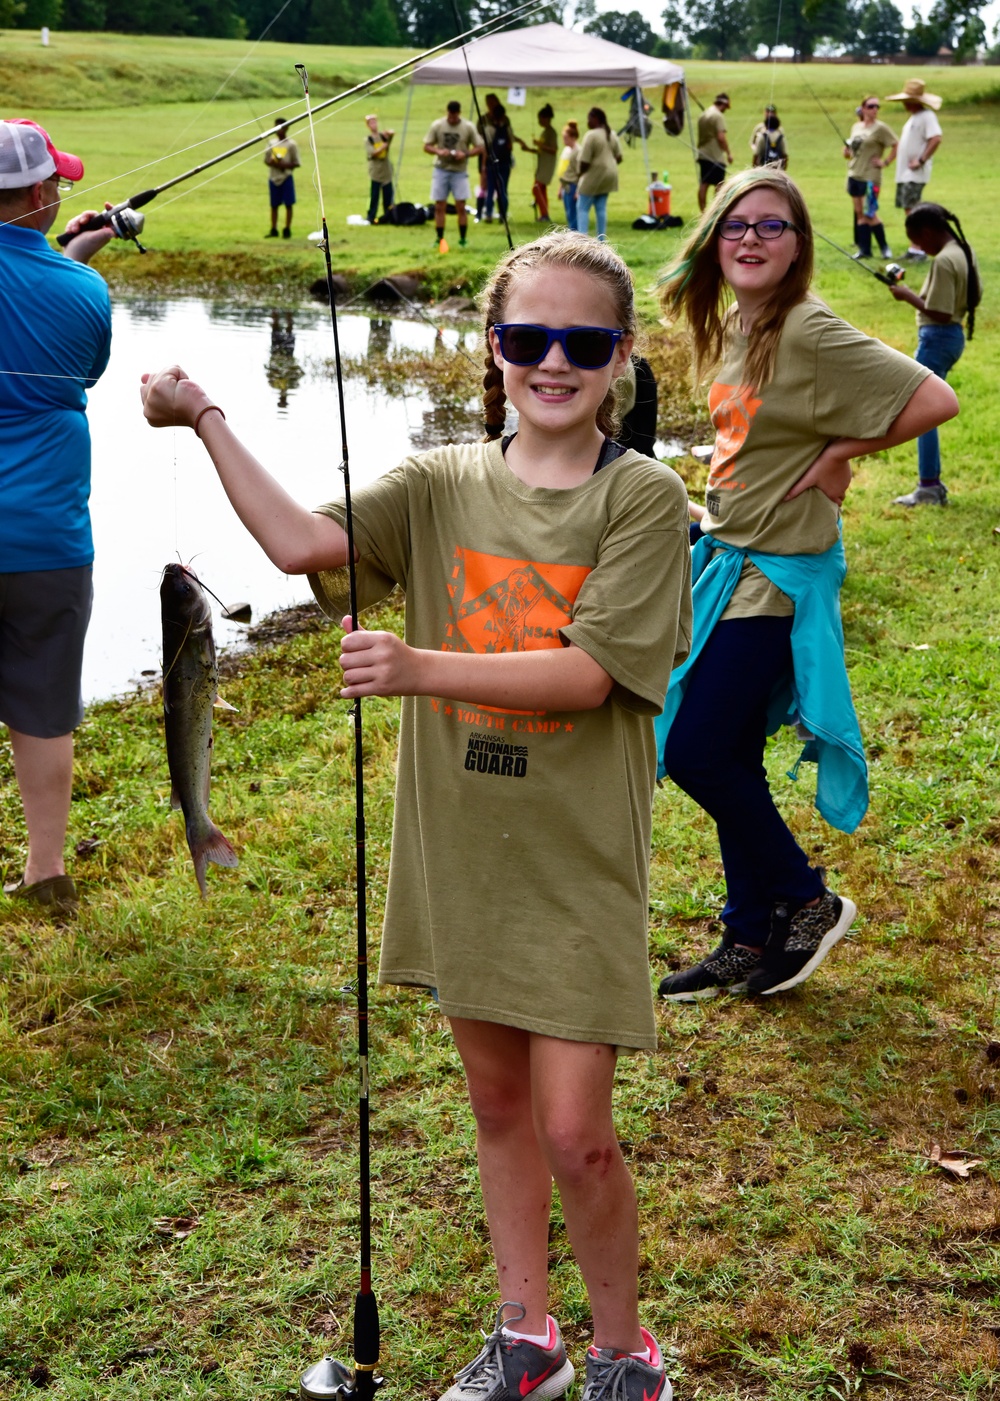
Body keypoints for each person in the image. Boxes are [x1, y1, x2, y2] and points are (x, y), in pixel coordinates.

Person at [140, 230, 692, 1401]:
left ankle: (624, 1351)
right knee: (497, 1109)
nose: (552, 362)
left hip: (578, 865)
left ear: (620, 357)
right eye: (525, 338)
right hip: (460, 856)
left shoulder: (644, 498)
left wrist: (416, 665)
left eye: (581, 343)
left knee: (577, 1133)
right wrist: (206, 418)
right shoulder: (440, 481)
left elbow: (593, 675)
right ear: (491, 349)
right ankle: (526, 1335)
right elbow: (303, 546)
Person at [654, 168, 958, 1001]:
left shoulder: (809, 330)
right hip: (730, 555)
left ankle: (806, 898)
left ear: (798, 247)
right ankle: (750, 935)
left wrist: (839, 454)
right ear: (715, 239)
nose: (751, 238)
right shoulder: (733, 329)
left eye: (772, 226)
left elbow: (935, 396)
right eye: (735, 225)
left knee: (696, 751)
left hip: (776, 573)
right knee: (733, 752)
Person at [0, 118, 115, 916]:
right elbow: (77, 358)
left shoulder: (71, 277)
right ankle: (46, 874)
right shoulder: (85, 294)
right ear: (42, 195)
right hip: (46, 540)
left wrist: (59, 251)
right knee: (42, 705)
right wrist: (72, 259)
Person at [888, 203, 979, 507]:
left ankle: (928, 487)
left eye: (917, 240)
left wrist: (907, 296)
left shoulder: (943, 261)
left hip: (938, 337)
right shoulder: (963, 250)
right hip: (953, 338)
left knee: (922, 413)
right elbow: (971, 296)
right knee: (926, 410)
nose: (919, 248)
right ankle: (930, 485)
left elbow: (940, 312)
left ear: (928, 232)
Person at [884, 78, 944, 258]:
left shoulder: (927, 116)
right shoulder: (914, 118)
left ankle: (919, 249)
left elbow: (936, 138)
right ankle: (914, 247)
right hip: (905, 173)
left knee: (914, 210)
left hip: (914, 173)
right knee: (908, 208)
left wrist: (921, 159)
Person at [423, 99, 483, 250]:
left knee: (461, 206)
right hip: (441, 169)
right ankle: (439, 238)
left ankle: (463, 239)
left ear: (459, 113)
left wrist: (465, 154)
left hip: (459, 171)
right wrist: (439, 151)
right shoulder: (438, 125)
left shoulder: (467, 127)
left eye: (455, 116)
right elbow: (426, 146)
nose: (452, 118)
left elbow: (480, 147)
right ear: (447, 112)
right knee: (439, 205)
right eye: (450, 115)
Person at [843, 96, 896, 260]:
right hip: (854, 174)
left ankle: (884, 248)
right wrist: (847, 153)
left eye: (877, 107)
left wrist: (885, 162)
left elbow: (896, 144)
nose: (875, 110)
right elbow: (853, 149)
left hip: (871, 177)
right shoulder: (856, 127)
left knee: (870, 213)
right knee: (859, 213)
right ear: (863, 108)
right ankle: (864, 250)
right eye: (871, 106)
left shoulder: (881, 128)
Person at [576, 108, 622, 241]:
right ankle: (602, 240)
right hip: (610, 176)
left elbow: (584, 161)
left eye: (589, 118)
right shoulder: (611, 134)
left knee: (582, 207)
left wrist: (579, 174)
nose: (587, 121)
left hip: (594, 175)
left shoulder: (591, 135)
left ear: (595, 118)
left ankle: (581, 240)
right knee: (601, 208)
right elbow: (619, 157)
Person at [264, 116, 300, 240]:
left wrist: (283, 165)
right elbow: (266, 160)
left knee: (288, 204)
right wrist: (273, 163)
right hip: (273, 178)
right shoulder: (271, 143)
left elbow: (296, 163)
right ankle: (273, 228)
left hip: (286, 177)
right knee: (274, 205)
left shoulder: (291, 145)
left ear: (286, 128)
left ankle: (287, 229)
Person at [696, 93, 732, 212]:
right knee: (719, 185)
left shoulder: (703, 115)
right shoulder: (718, 116)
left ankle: (703, 212)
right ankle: (717, 212)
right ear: (724, 104)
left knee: (704, 183)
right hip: (715, 155)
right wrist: (728, 153)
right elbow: (721, 137)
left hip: (703, 153)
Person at [364, 113, 394, 225]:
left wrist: (390, 135)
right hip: (376, 172)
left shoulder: (383, 136)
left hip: (386, 171)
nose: (374, 124)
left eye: (375, 121)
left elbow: (390, 139)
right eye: (371, 122)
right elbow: (373, 153)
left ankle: (389, 216)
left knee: (388, 196)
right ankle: (371, 217)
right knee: (374, 196)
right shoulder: (368, 139)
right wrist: (383, 147)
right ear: (368, 125)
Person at [531, 103, 559, 222]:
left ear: (546, 118)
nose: (539, 121)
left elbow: (553, 149)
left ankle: (545, 214)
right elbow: (541, 150)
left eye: (540, 118)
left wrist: (540, 144)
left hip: (547, 166)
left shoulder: (551, 132)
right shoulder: (545, 131)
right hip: (542, 165)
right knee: (541, 190)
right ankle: (544, 214)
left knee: (536, 189)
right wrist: (528, 148)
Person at [558, 121, 581, 229]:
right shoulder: (567, 150)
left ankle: (574, 237)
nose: (564, 140)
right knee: (568, 213)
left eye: (565, 137)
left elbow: (580, 173)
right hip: (566, 185)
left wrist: (578, 191)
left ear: (572, 137)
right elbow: (565, 172)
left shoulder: (578, 151)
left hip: (573, 185)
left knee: (573, 214)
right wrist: (560, 188)